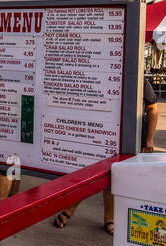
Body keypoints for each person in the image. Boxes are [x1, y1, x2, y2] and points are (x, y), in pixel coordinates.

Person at [55, 74, 160, 232]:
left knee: (114, 179)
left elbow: (152, 109)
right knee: (89, 174)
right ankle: (70, 210)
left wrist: (149, 140)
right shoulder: (99, 73)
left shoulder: (140, 79)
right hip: (103, 134)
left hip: (132, 138)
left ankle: (109, 219)